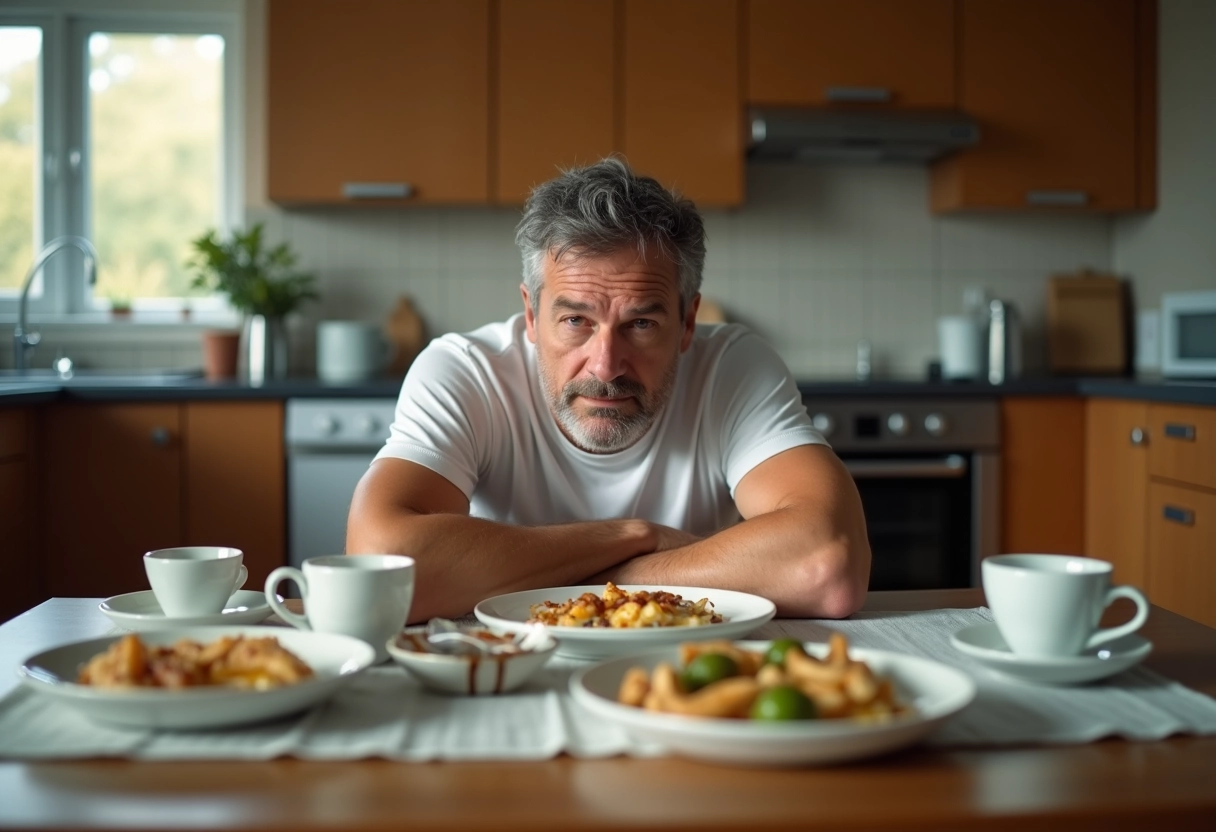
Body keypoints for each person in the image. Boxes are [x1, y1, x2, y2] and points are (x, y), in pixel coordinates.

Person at [346, 158, 871, 622]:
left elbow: (828, 562)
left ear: (688, 323)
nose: (606, 365)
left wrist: (608, 580)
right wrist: (633, 535)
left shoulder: (734, 368)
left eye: (641, 325)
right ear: (531, 314)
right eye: (576, 320)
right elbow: (379, 563)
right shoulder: (465, 371)